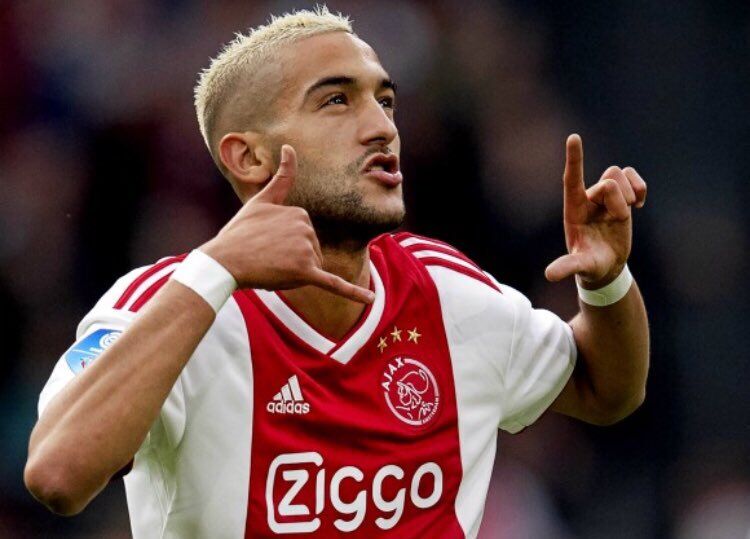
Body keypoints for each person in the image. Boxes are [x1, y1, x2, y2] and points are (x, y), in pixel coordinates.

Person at [24, 7, 649, 538]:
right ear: (248, 156)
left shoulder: (448, 291)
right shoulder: (168, 303)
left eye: (385, 101)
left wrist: (606, 283)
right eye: (336, 101)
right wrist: (214, 270)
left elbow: (605, 390)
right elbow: (57, 474)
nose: (382, 128)